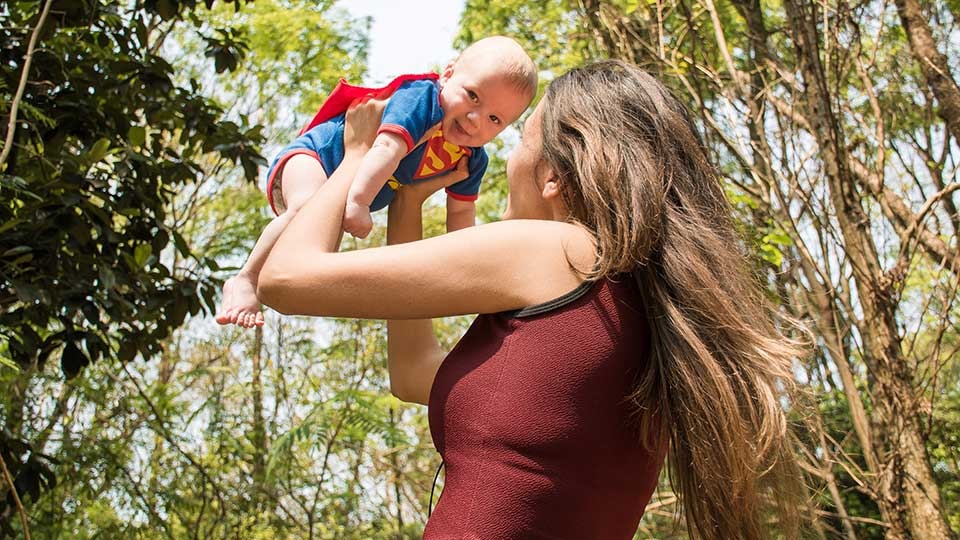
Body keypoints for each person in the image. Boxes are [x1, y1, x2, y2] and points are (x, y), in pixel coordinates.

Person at [256, 60, 809, 539]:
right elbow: (413, 372)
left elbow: (285, 279)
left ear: (553, 176)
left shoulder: (557, 250)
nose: (504, 153)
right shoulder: (636, 310)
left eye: (520, 139)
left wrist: (357, 155)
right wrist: (408, 201)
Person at [215, 36, 537, 328]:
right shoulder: (422, 100)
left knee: (319, 248)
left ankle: (274, 285)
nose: (475, 119)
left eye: (495, 119)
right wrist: (359, 202)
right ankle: (246, 278)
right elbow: (386, 148)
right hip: (317, 156)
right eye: (472, 96)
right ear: (448, 75)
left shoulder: (471, 160)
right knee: (304, 209)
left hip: (345, 188)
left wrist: (470, 270)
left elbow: (461, 218)